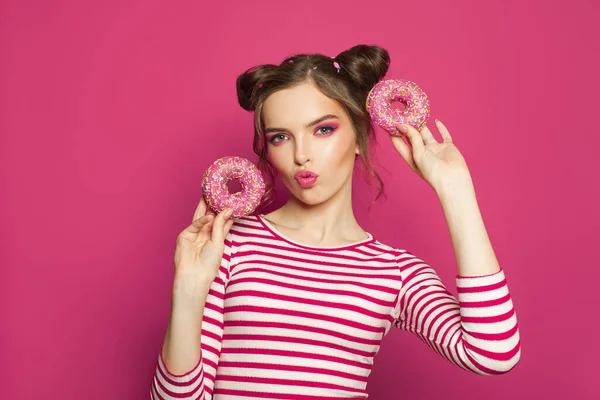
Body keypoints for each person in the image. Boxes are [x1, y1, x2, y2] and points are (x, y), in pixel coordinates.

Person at [150, 45, 521, 400]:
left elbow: (493, 352)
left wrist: (455, 189)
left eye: (323, 130)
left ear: (359, 136)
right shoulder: (229, 244)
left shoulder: (396, 273)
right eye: (280, 137)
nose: (301, 155)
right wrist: (188, 287)